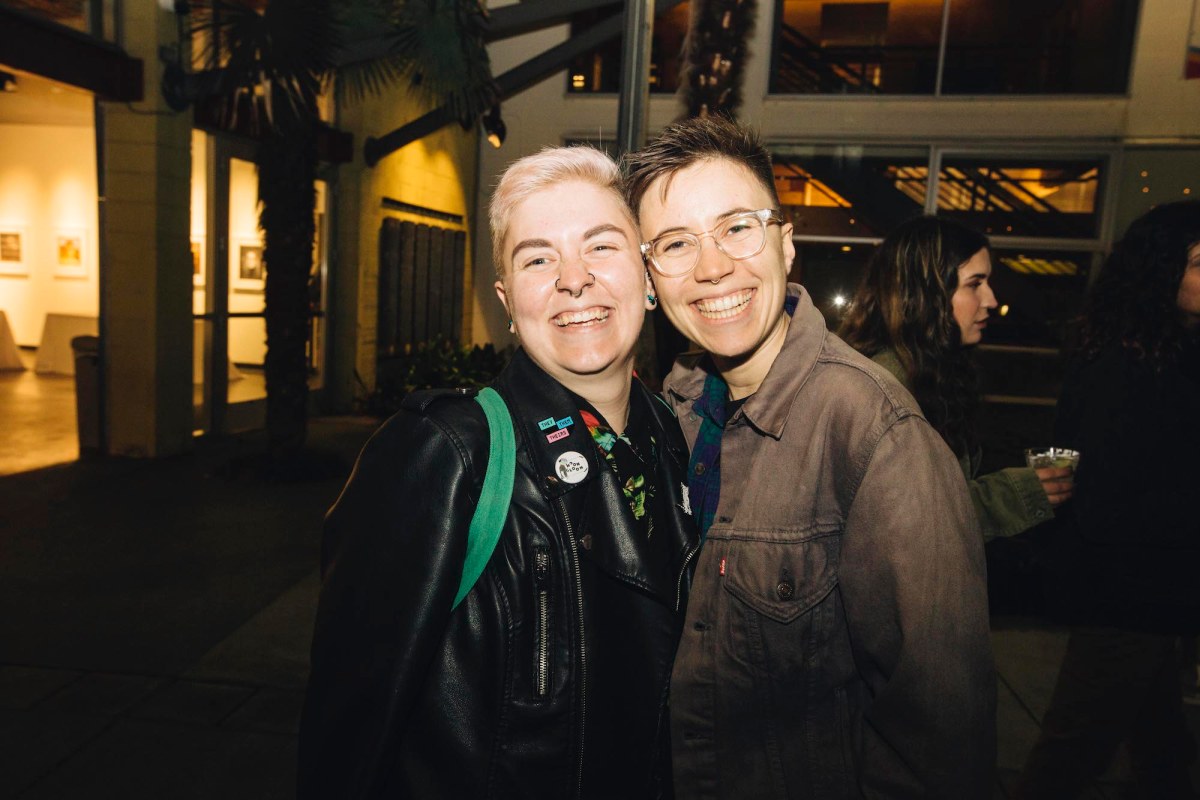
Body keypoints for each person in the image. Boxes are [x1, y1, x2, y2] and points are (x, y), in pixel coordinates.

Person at [298, 146, 700, 799]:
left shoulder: (682, 440)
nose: (574, 279)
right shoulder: (446, 452)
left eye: (601, 246)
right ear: (509, 301)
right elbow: (349, 728)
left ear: (648, 276)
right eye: (538, 258)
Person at [623, 115, 995, 798]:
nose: (711, 268)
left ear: (785, 246)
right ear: (649, 278)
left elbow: (940, 734)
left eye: (737, 228)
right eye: (676, 244)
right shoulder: (673, 410)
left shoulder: (876, 433)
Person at [1013, 200, 1200, 799]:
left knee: (1162, 743)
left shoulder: (1171, 354)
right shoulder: (1125, 365)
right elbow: (1100, 491)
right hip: (1128, 590)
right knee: (1072, 753)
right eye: (1198, 263)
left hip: (1154, 589)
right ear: (1161, 271)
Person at [838, 216, 1074, 541]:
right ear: (927, 292)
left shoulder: (927, 369)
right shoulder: (885, 386)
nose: (991, 300)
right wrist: (1013, 496)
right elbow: (902, 519)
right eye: (975, 284)